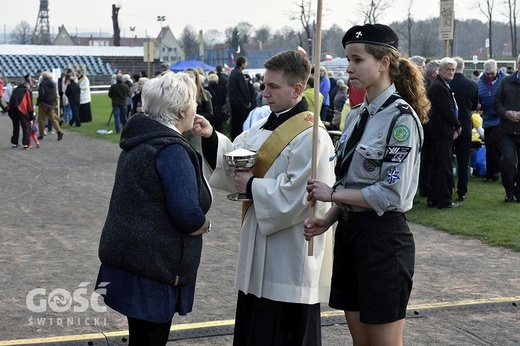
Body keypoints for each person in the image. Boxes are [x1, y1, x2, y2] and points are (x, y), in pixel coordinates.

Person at [192, 49, 335, 345]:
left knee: (285, 331)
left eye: (273, 87)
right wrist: (210, 138)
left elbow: (301, 195)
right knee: (255, 325)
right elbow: (236, 160)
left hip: (289, 251)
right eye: (265, 85)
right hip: (258, 241)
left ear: (297, 89)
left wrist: (253, 186)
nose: (264, 92)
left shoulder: (313, 136)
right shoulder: (262, 125)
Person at [303, 23, 429, 346]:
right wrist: (327, 218)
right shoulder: (357, 115)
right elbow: (350, 180)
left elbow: (391, 192)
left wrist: (331, 194)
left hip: (382, 240)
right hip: (350, 235)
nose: (349, 68)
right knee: (361, 342)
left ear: (384, 63)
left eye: (358, 60)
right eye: (348, 59)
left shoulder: (401, 120)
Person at [96, 71, 213, 345]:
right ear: (182, 110)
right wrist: (205, 226)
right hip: (154, 267)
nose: (197, 108)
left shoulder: (141, 140)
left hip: (131, 258)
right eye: (194, 103)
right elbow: (187, 214)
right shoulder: (170, 149)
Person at [426, 57, 461, 209]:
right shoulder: (440, 87)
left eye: (453, 69)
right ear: (440, 70)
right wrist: (458, 126)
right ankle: (444, 200)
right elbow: (448, 111)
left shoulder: (440, 85)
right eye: (448, 69)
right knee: (444, 167)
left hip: (437, 131)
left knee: (437, 166)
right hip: (441, 132)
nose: (451, 72)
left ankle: (433, 198)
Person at [450, 57, 479, 202]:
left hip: (449, 126)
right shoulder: (472, 85)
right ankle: (462, 191)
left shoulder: (448, 83)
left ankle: (447, 188)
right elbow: (474, 106)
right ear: (464, 67)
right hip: (466, 124)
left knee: (447, 159)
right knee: (463, 160)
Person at [493, 54, 520, 202]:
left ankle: (519, 192)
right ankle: (509, 190)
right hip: (507, 130)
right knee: (508, 161)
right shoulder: (506, 82)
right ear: (517, 64)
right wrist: (506, 113)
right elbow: (496, 102)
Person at [478, 59, 507, 183]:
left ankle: (498, 171)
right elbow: (478, 96)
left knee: (495, 142)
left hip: (500, 118)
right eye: (487, 74)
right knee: (488, 144)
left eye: (492, 74)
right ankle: (490, 173)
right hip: (487, 118)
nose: (490, 76)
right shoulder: (480, 82)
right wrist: (478, 104)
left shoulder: (504, 80)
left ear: (497, 70)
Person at [8, 74, 35, 149]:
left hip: (12, 109)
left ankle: (14, 143)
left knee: (16, 126)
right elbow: (30, 106)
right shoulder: (27, 91)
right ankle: (25, 144)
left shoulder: (15, 90)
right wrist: (31, 118)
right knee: (25, 126)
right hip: (21, 109)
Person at [228, 56, 250, 140]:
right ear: (242, 63)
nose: (246, 64)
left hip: (233, 101)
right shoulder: (239, 74)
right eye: (246, 63)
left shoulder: (233, 72)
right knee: (240, 124)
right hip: (239, 102)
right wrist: (247, 101)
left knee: (234, 123)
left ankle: (234, 138)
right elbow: (243, 88)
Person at [36, 72, 64, 141]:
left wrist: (39, 102)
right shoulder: (53, 84)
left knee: (40, 119)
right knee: (52, 118)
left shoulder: (42, 84)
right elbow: (55, 94)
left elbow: (41, 94)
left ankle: (41, 134)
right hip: (51, 103)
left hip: (44, 103)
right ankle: (59, 132)